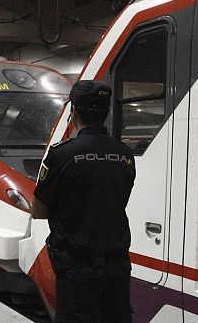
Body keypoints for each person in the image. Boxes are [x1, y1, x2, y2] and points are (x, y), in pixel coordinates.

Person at [31, 80, 136, 322]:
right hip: (117, 267)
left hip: (77, 269)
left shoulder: (62, 154)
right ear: (106, 112)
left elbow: (38, 210)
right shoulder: (125, 154)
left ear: (74, 111)